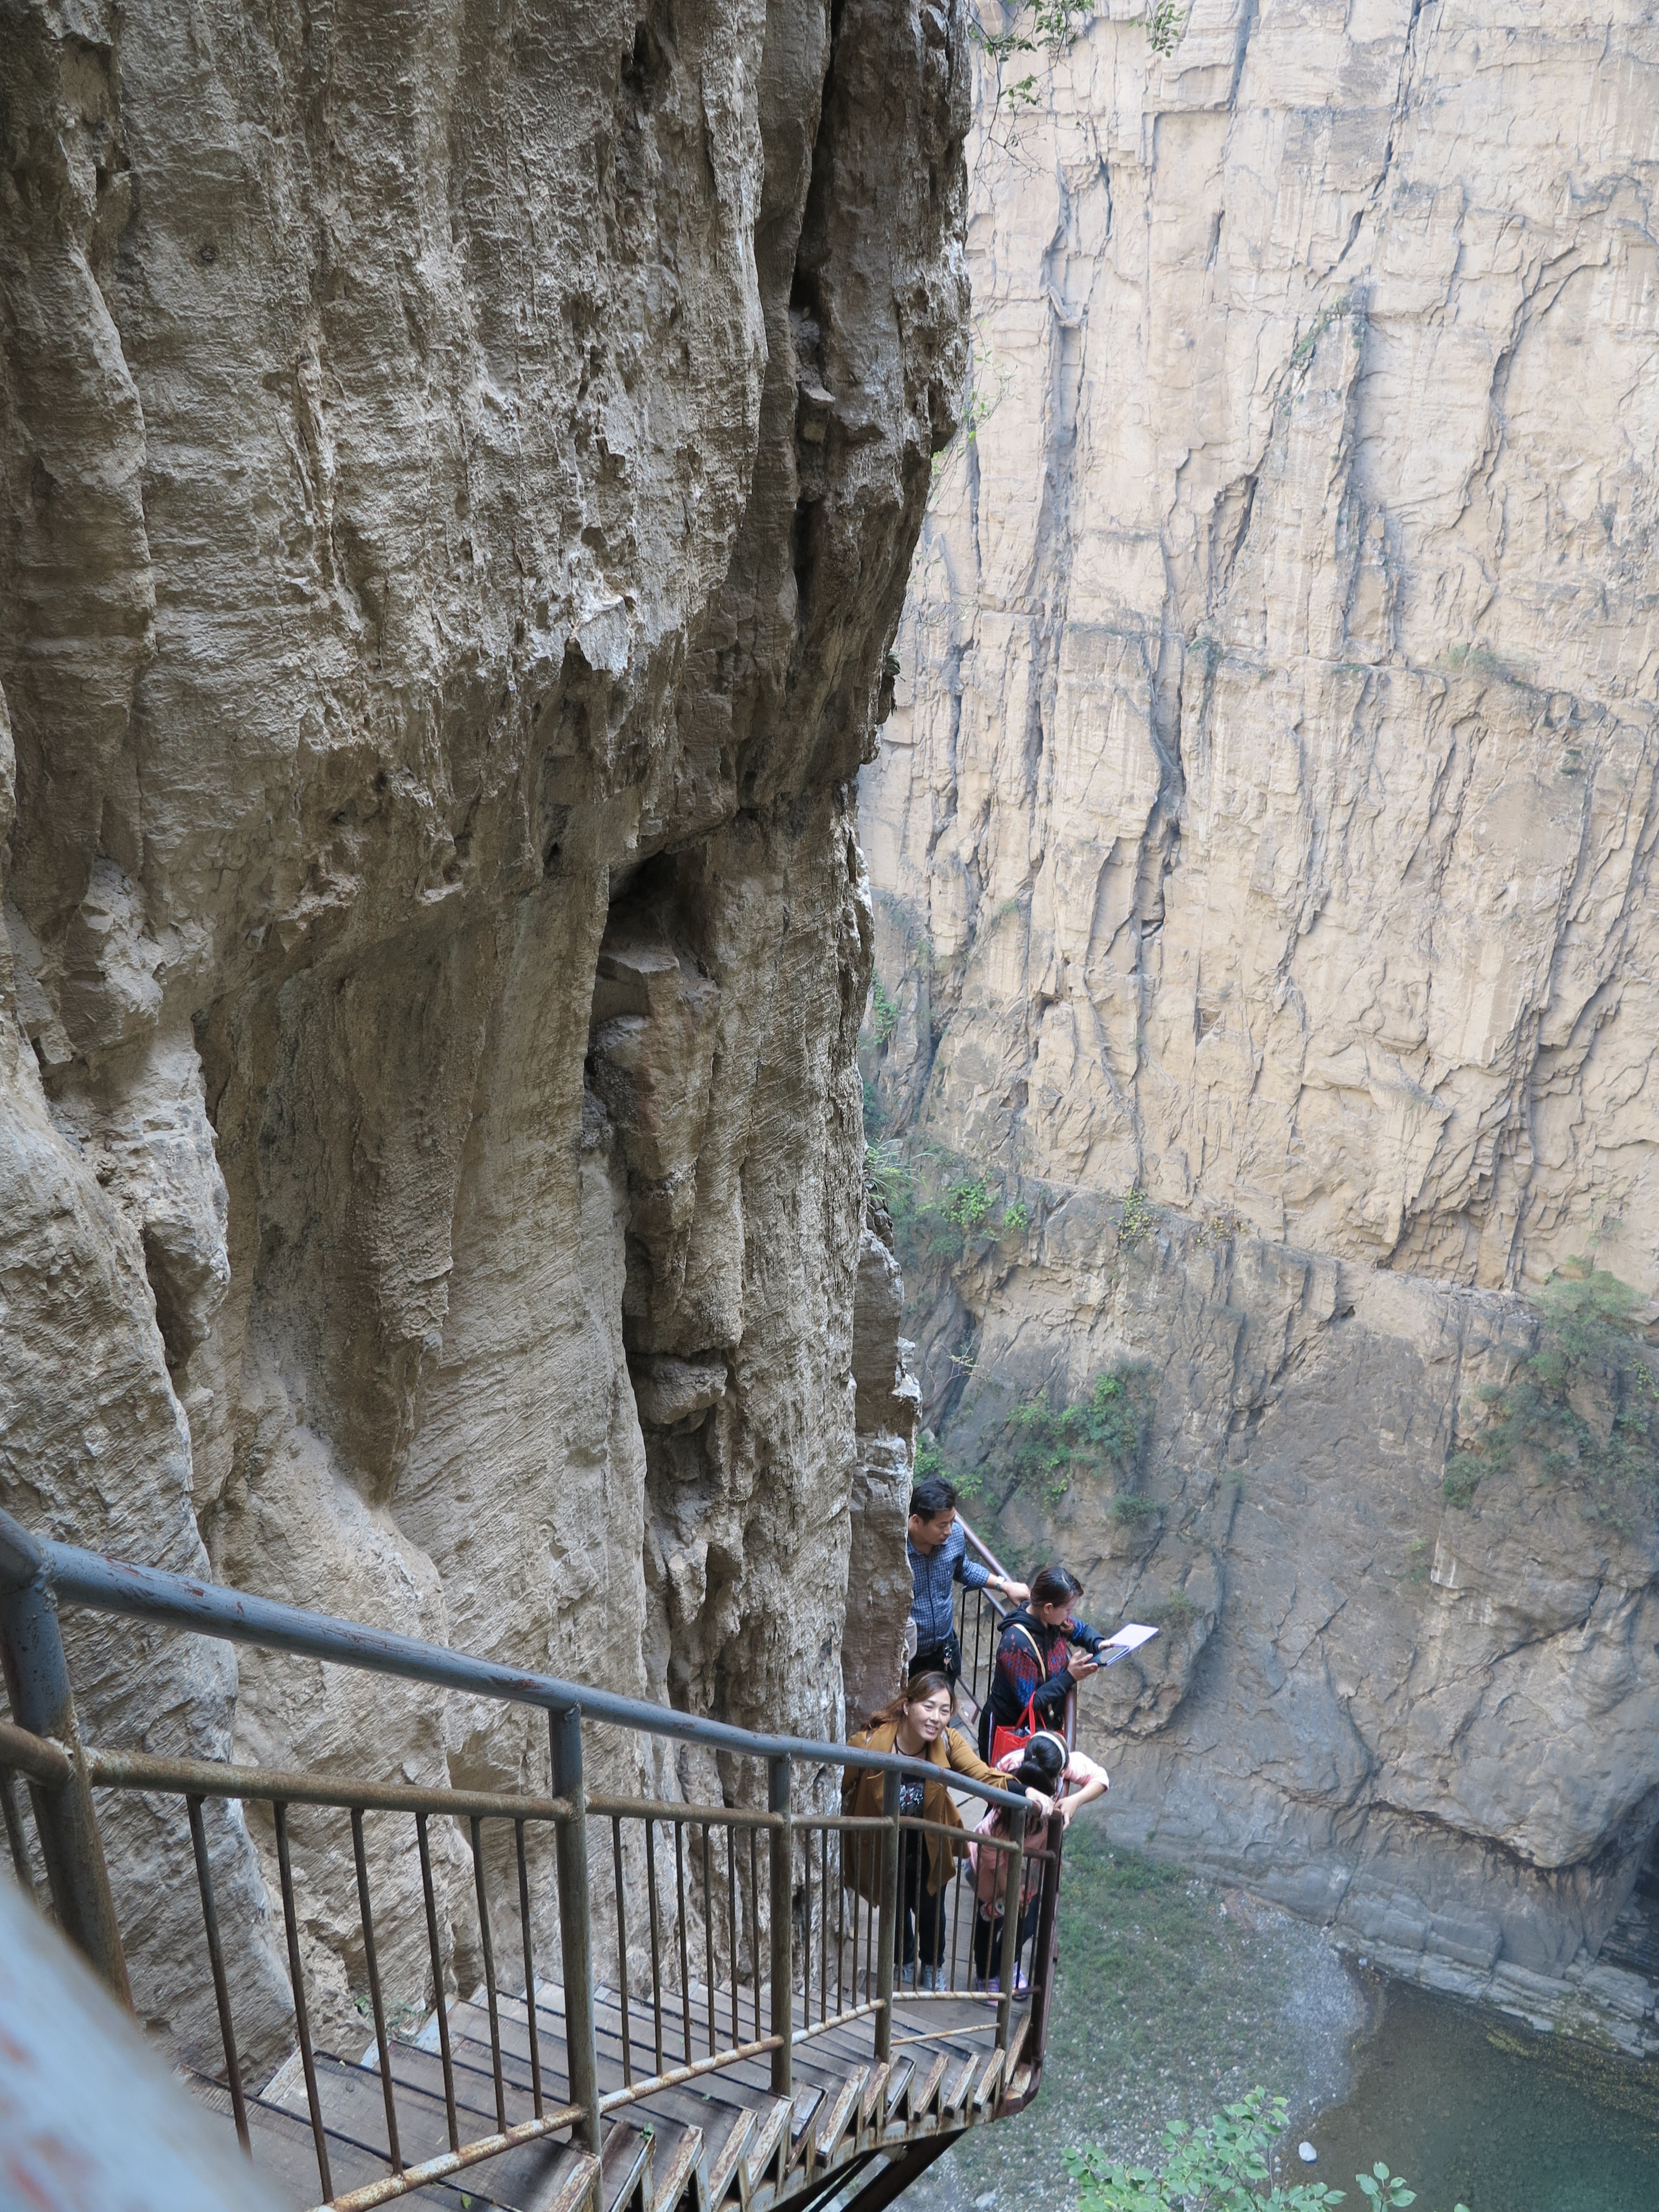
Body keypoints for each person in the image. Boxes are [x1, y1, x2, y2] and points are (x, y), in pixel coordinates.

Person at [842, 1671, 1056, 1988]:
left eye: (945, 1710)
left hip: (930, 1840)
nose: (936, 1718)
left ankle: (932, 1966)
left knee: (932, 1910)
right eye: (929, 1707)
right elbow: (843, 1787)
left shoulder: (947, 1741)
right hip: (884, 1841)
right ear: (906, 1705)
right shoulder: (870, 1744)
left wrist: (1026, 1792)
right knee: (894, 1906)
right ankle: (904, 1960)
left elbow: (984, 1775)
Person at [968, 1729, 1109, 1990]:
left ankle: (1008, 1965)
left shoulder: (1053, 1761)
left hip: (1028, 1863)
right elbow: (989, 1844)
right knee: (991, 1919)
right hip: (994, 1867)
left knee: (1026, 1921)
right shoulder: (1008, 1785)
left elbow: (1101, 1777)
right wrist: (1006, 1889)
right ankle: (986, 1975)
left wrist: (1074, 1801)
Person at [978, 1563, 1110, 1759]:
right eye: (1068, 1609)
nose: (1070, 1615)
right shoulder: (1015, 1644)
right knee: (1000, 1786)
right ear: (1048, 1608)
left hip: (1039, 1728)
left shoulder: (1055, 1621)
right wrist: (1070, 1676)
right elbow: (1031, 1702)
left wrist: (1099, 1643)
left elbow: (1081, 1630)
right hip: (1008, 1730)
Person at [906, 1476, 1029, 1683]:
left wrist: (1004, 1586)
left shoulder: (954, 1538)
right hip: (910, 1656)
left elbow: (962, 1569)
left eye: (952, 1522)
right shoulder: (896, 1552)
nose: (949, 1531)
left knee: (944, 1700)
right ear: (916, 1522)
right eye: (942, 1525)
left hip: (943, 1647)